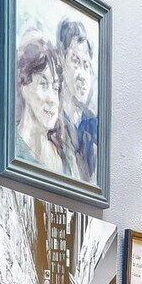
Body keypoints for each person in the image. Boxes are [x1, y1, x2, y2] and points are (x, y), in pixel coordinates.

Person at [15, 35, 68, 175]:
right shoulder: (13, 149)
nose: (52, 99)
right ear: (24, 87)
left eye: (55, 88)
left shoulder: (61, 160)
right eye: (43, 85)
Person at [57, 17, 98, 181]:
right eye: (75, 61)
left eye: (86, 65)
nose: (82, 76)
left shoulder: (93, 125)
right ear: (61, 59)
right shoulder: (51, 119)